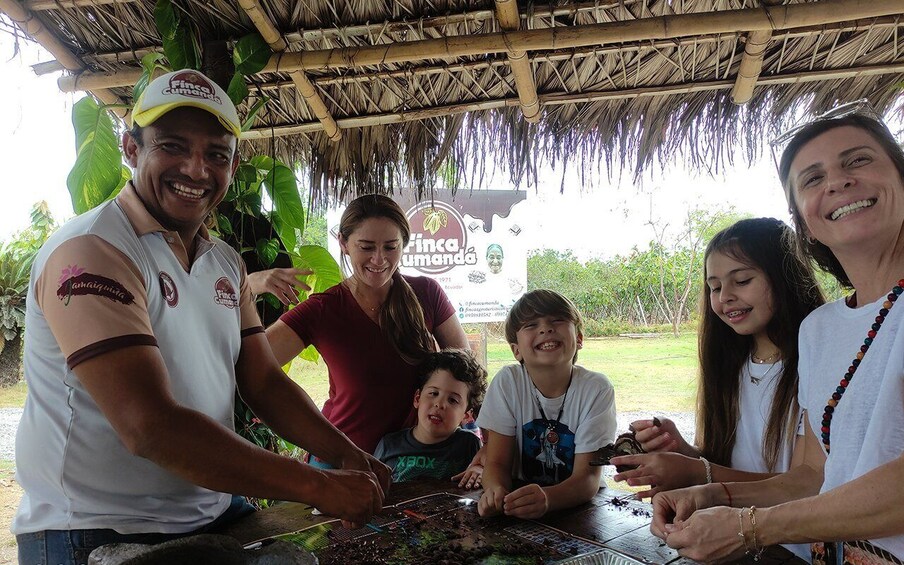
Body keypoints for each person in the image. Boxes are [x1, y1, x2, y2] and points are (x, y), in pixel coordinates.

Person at [13, 69, 388, 565]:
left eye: (216, 154)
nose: (196, 170)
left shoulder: (225, 262)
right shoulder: (93, 251)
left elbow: (264, 383)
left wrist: (346, 454)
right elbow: (149, 426)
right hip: (94, 528)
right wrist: (318, 485)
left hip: (214, 514)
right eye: (172, 146)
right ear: (130, 149)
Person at [650, 104, 904, 563]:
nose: (837, 181)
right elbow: (811, 476)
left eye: (858, 160)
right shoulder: (820, 331)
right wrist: (715, 495)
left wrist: (750, 527)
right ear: (804, 220)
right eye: (812, 178)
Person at [613, 218, 824, 561]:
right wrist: (684, 452)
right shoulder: (730, 368)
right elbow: (728, 465)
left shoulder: (816, 367)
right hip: (727, 539)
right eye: (713, 286)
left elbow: (803, 484)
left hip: (794, 548)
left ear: (785, 277)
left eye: (742, 280)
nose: (725, 297)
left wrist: (699, 475)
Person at [265, 194, 470, 459]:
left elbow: (466, 374)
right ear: (344, 243)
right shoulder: (323, 309)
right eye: (366, 247)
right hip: (343, 464)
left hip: (418, 463)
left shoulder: (426, 293)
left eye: (390, 247)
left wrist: (487, 445)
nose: (379, 259)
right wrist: (250, 286)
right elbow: (250, 363)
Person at [477, 289, 617, 519]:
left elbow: (588, 479)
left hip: (579, 507)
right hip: (518, 503)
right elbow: (496, 463)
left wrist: (548, 499)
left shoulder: (596, 389)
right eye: (531, 325)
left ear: (579, 339)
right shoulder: (508, 382)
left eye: (558, 320)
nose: (545, 329)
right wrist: (495, 491)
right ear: (516, 350)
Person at [374, 348, 486, 484]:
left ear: (466, 415)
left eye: (452, 400)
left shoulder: (469, 445)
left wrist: (481, 470)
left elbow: (483, 476)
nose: (439, 404)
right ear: (417, 398)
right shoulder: (389, 445)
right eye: (433, 393)